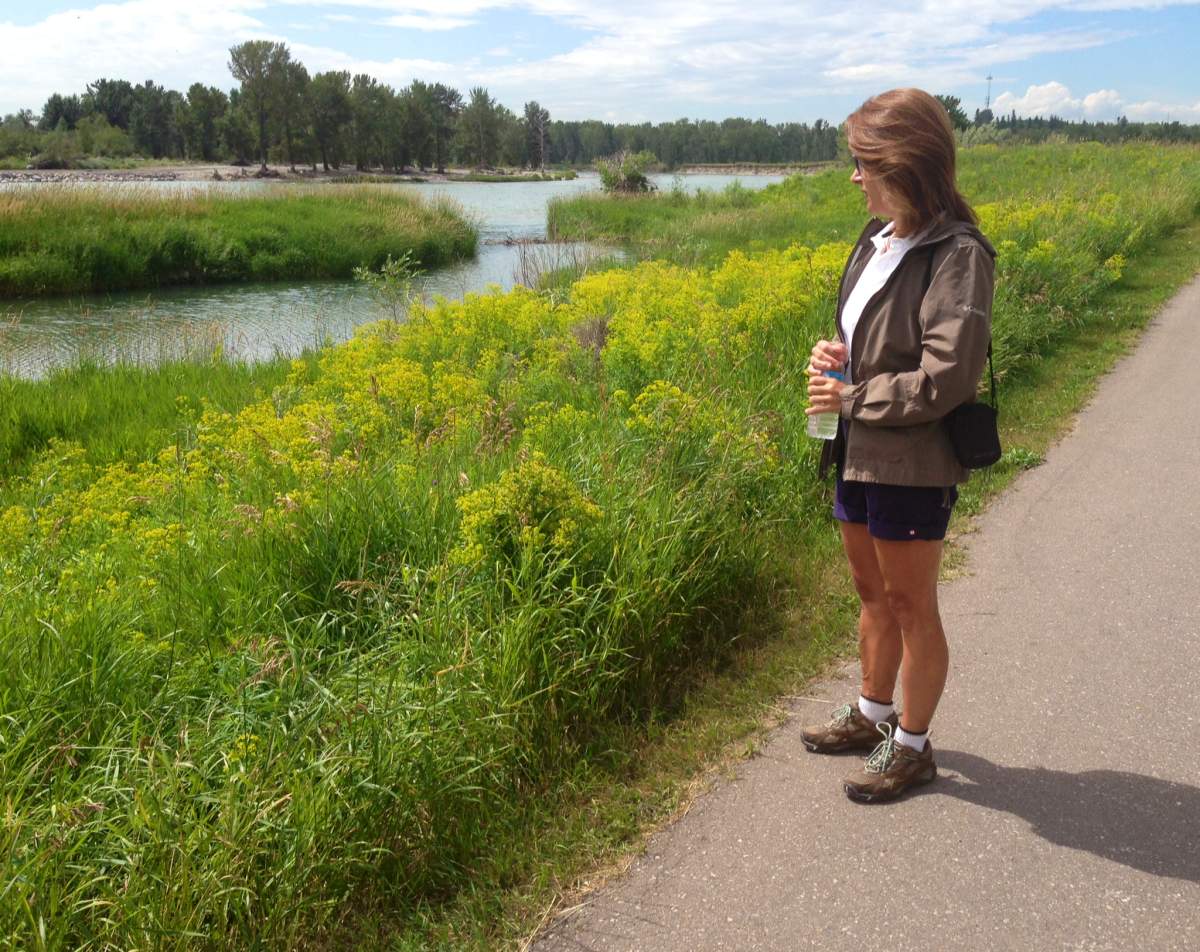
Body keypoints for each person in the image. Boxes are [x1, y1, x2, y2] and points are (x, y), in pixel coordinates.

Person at [799, 88, 996, 803]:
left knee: (912, 605)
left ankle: (912, 748)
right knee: (871, 593)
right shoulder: (878, 239)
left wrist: (852, 397)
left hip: (911, 462)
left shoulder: (958, 255)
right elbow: (871, 340)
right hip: (856, 449)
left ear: (903, 163)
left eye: (864, 162)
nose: (854, 176)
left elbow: (947, 378)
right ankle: (871, 712)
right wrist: (835, 355)